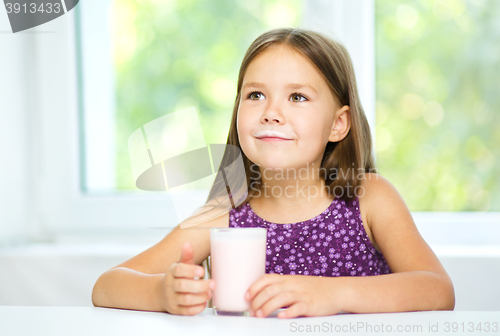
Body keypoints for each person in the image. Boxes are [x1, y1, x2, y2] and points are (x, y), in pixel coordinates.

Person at [92, 27, 455, 318]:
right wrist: (162, 292)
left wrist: (333, 293)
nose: (271, 112)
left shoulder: (368, 198)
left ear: (338, 124)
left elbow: (438, 290)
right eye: (255, 95)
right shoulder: (225, 211)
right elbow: (107, 286)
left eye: (297, 97)